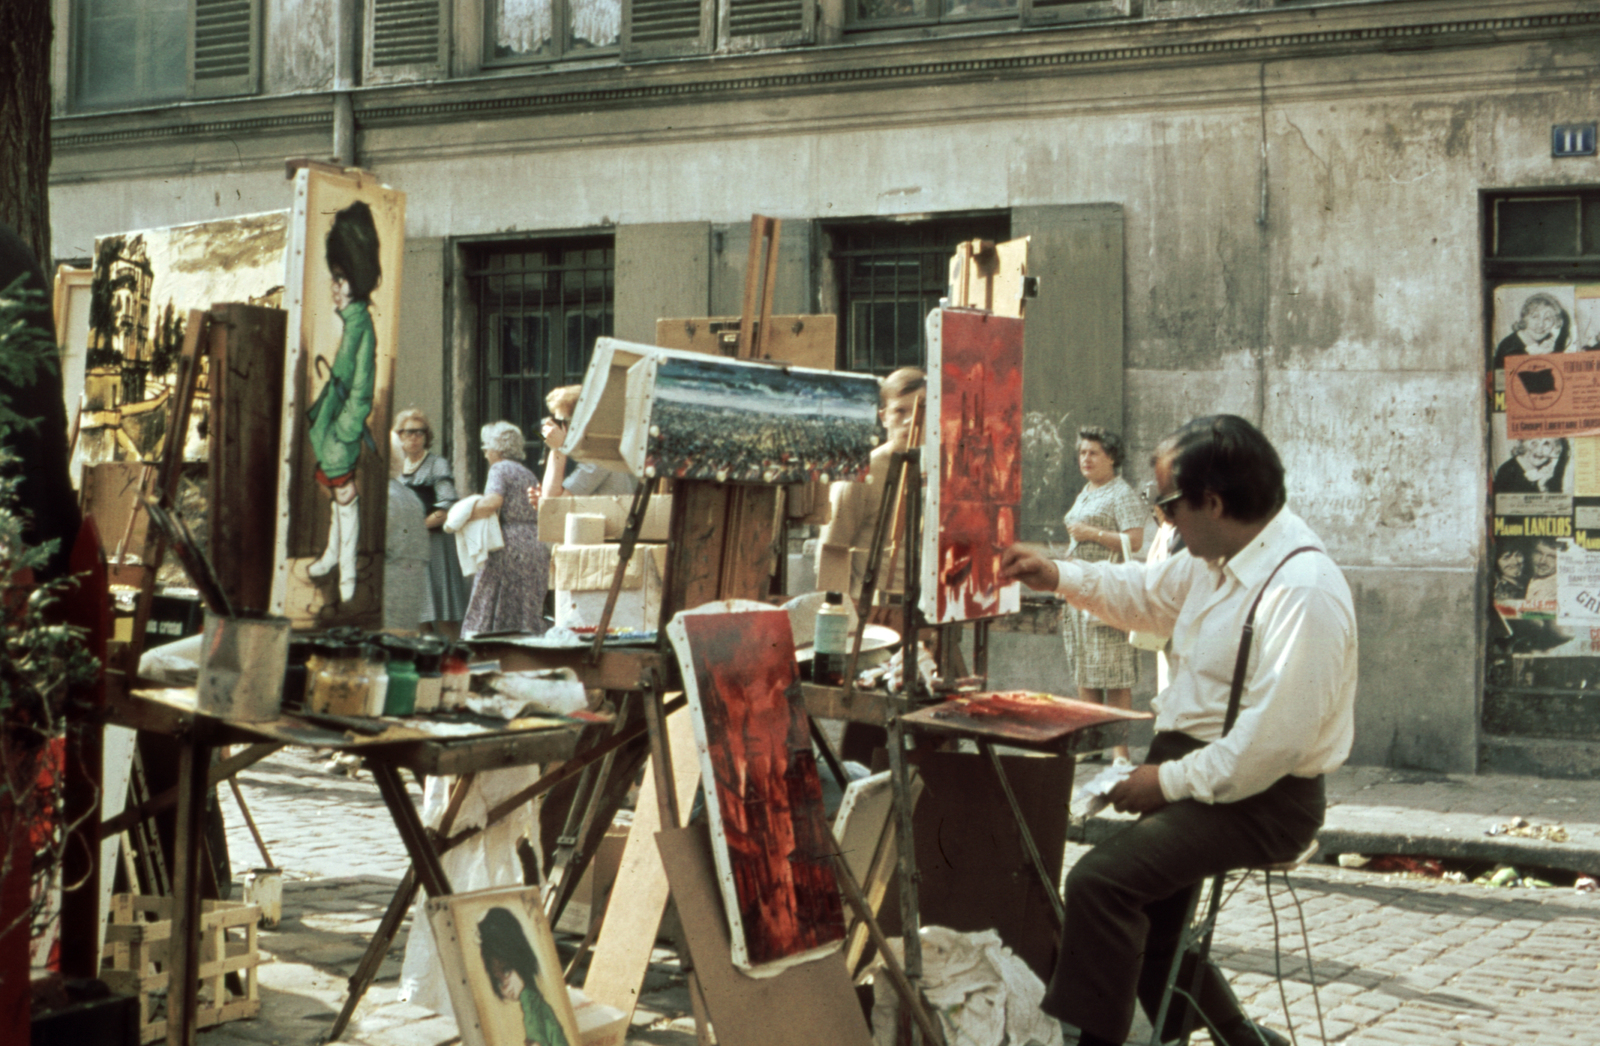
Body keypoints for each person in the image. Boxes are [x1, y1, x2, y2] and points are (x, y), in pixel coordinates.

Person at [1000, 414, 1357, 1046]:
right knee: (1154, 922)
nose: (1162, 520)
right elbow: (1142, 594)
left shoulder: (1302, 590)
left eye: (1166, 505)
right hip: (1201, 768)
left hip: (1264, 797)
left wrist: (1166, 782)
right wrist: (1056, 574)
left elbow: (1269, 747)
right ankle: (1241, 1039)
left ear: (1213, 503)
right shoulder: (1216, 557)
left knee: (1100, 885)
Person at [306, 201, 382, 603]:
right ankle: (334, 557)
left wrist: (344, 430)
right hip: (336, 427)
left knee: (346, 497)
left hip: (342, 431)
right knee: (341, 499)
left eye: (341, 277)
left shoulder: (361, 326)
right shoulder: (354, 321)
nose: (334, 286)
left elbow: (362, 391)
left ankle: (347, 570)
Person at [1060, 426, 1145, 763]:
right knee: (1085, 668)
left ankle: (1119, 751)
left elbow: (1134, 541)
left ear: (1111, 457)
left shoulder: (1120, 492)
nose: (1085, 458)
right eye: (1082, 452)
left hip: (1108, 590)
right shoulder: (1087, 491)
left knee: (1115, 673)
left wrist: (1089, 532)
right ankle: (1090, 743)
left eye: (1093, 452)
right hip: (1079, 590)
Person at [815, 366, 924, 606]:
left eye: (920, 409)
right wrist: (839, 618)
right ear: (884, 417)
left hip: (923, 607)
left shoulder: (942, 472)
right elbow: (833, 549)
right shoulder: (861, 471)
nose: (910, 420)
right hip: (870, 608)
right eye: (900, 411)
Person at [461, 421, 549, 637]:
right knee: (526, 604)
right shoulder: (527, 472)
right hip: (535, 541)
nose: (484, 451)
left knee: (491, 597)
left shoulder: (499, 468)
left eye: (485, 445)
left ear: (497, 448)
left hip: (509, 544)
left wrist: (461, 514)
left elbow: (493, 501)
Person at [393, 408, 471, 636]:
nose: (414, 437)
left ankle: (454, 662)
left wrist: (418, 527)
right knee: (418, 614)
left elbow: (447, 505)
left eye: (420, 432)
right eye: (408, 432)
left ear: (427, 436)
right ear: (399, 436)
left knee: (444, 612)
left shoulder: (437, 465)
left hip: (434, 546)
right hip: (406, 547)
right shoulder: (396, 467)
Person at [478, 906, 570, 1046]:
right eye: (498, 981)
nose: (505, 985)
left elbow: (535, 1041)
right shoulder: (536, 999)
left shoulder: (530, 1000)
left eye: (507, 971)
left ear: (520, 960)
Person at [537, 384, 637, 499]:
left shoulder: (599, 455)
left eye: (563, 422)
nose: (560, 428)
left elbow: (553, 503)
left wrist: (557, 450)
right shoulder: (587, 451)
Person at [1493, 292, 1572, 368]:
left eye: (1547, 318)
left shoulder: (1548, 341)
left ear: (1554, 322)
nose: (1541, 325)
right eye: (1535, 317)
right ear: (1524, 318)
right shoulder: (1510, 349)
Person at [1494, 438, 1569, 494]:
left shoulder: (1549, 473)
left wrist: (1543, 486)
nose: (1539, 451)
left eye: (1546, 444)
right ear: (1523, 445)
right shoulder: (1508, 472)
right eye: (1534, 443)